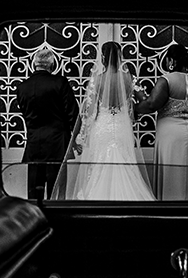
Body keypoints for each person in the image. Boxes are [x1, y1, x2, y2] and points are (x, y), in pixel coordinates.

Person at [51, 42, 154, 201]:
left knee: (101, 163)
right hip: (122, 127)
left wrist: (81, 136)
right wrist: (132, 108)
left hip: (102, 126)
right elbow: (146, 102)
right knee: (124, 160)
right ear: (120, 57)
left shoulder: (97, 80)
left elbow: (90, 112)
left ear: (103, 57)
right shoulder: (130, 78)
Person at [134, 44, 188, 200]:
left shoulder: (166, 81)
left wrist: (134, 108)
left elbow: (151, 104)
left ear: (170, 60)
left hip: (170, 134)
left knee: (171, 176)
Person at [15, 47, 79, 200]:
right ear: (52, 65)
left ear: (34, 63)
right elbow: (73, 114)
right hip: (57, 143)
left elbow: (25, 114)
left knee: (34, 194)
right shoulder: (60, 83)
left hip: (34, 143)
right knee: (56, 192)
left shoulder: (22, 87)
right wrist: (75, 140)